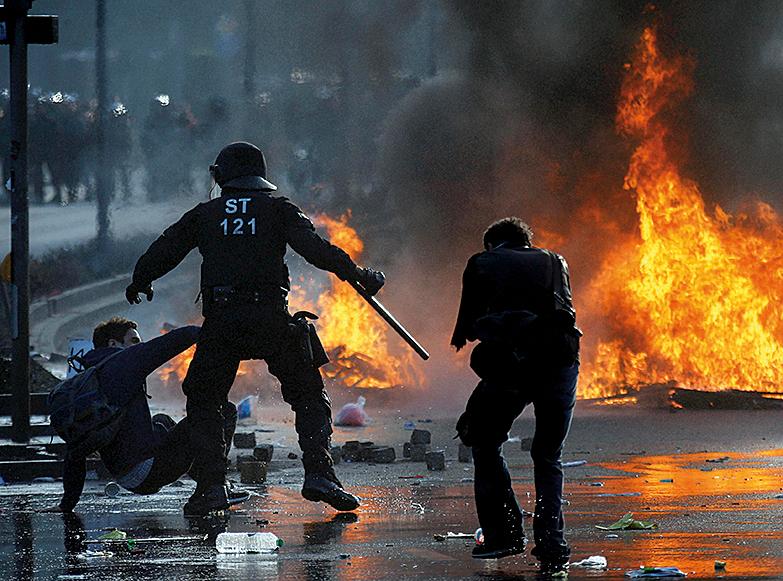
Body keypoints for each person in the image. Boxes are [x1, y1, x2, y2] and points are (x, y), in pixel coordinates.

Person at [125, 141, 385, 516]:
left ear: (221, 176)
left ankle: (211, 487)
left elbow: (166, 248)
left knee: (204, 399)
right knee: (308, 393)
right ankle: (319, 475)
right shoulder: (278, 209)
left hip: (223, 320)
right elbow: (316, 249)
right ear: (260, 177)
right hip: (270, 317)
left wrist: (140, 279)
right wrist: (359, 276)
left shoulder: (206, 214)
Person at [451, 218, 581, 575]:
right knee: (547, 454)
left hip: (514, 364)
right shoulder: (556, 260)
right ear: (526, 242)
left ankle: (504, 534)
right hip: (561, 361)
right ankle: (553, 543)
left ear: (493, 244)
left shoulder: (482, 261)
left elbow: (468, 326)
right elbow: (564, 313)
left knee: (485, 441)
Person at [45, 317, 246, 513]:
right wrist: (219, 333)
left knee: (161, 421)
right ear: (113, 343)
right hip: (148, 470)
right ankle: (211, 490)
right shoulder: (123, 361)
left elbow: (76, 450)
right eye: (133, 341)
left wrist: (67, 503)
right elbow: (179, 338)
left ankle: (206, 484)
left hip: (126, 475)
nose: (138, 346)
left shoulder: (91, 377)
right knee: (221, 411)